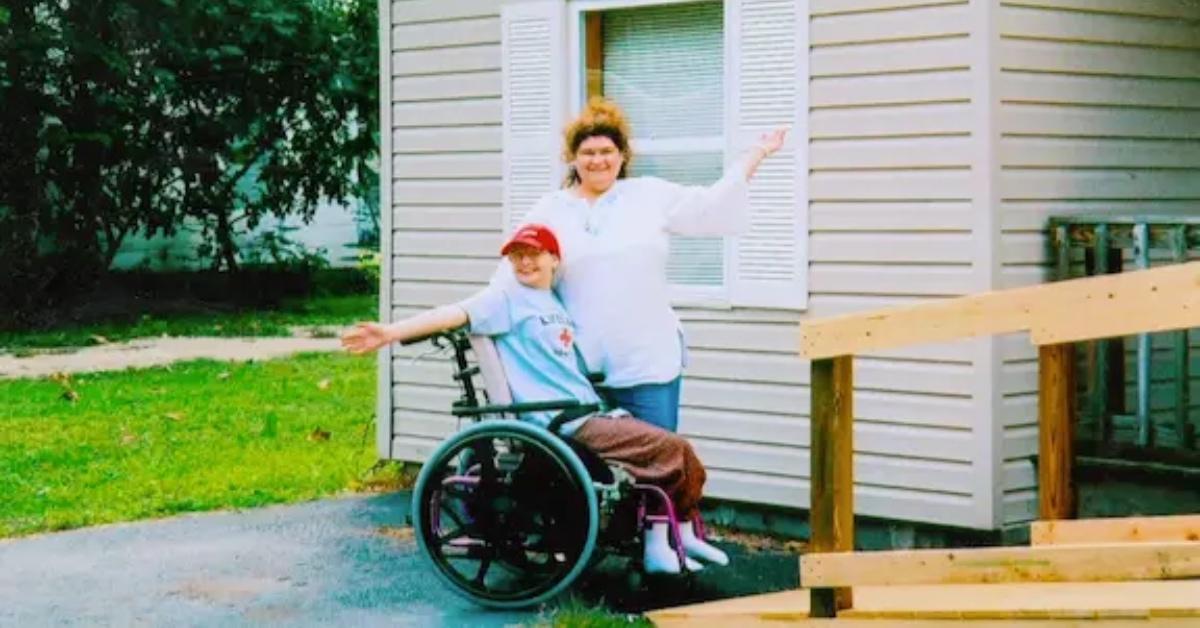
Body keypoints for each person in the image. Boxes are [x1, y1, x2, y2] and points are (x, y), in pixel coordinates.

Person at [341, 223, 727, 575]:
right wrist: (390, 332)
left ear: (554, 260)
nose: (525, 263)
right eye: (517, 256)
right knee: (671, 449)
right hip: (561, 422)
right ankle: (661, 547)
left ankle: (681, 532)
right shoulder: (504, 299)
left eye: (534, 254)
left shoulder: (554, 304)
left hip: (586, 412)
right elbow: (452, 313)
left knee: (671, 453)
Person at [500, 97, 787, 432]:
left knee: (657, 467)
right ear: (572, 158)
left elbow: (710, 205)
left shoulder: (649, 195)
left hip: (648, 363)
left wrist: (756, 154)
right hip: (581, 369)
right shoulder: (550, 209)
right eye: (587, 153)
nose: (598, 160)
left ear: (622, 156)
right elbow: (513, 270)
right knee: (596, 475)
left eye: (606, 151)